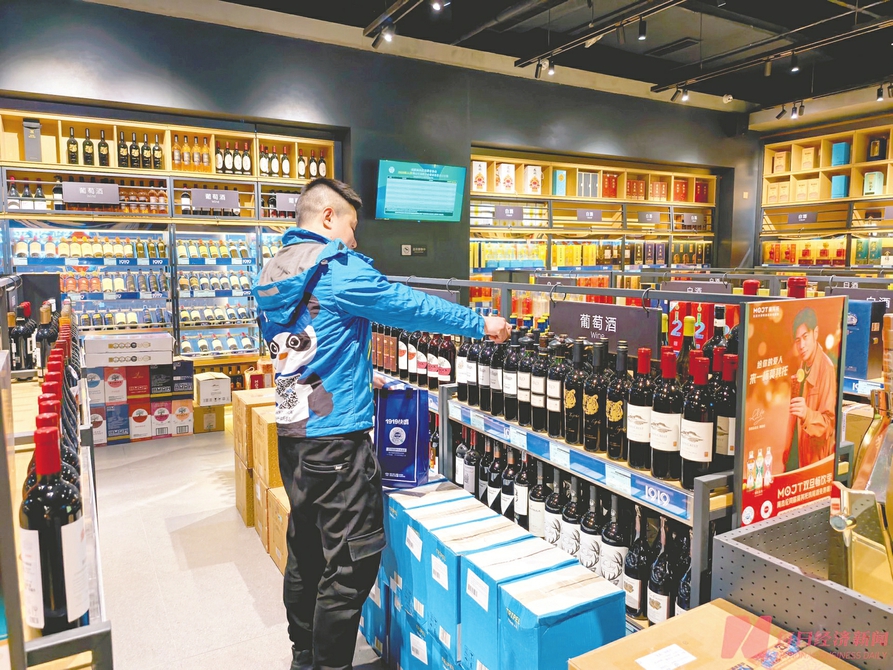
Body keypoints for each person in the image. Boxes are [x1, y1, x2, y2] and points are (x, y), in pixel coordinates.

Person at [252, 177, 510, 670]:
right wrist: (480, 323)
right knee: (352, 562)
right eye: (351, 226)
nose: (354, 239)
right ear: (328, 217)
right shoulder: (334, 268)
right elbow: (408, 305)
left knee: (306, 549)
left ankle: (303, 656)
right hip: (336, 443)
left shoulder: (274, 269)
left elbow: (304, 344)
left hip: (295, 434)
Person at [782, 306, 837, 470]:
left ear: (816, 333)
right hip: (795, 456)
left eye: (805, 337)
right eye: (797, 340)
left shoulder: (826, 368)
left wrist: (807, 414)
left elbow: (828, 425)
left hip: (811, 462)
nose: (802, 345)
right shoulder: (803, 366)